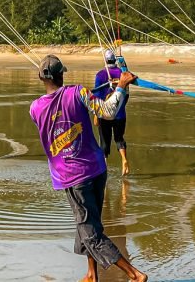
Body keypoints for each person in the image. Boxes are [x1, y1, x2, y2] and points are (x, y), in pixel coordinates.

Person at [30, 55, 147, 282]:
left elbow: (57, 108)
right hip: (96, 169)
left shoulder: (35, 108)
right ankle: (92, 274)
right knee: (88, 222)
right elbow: (107, 111)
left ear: (40, 77)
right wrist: (121, 87)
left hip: (74, 177)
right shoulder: (78, 93)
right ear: (62, 74)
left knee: (90, 232)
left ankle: (134, 274)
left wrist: (119, 85)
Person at [93, 49, 131, 176]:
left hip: (105, 114)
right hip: (120, 114)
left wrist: (96, 115)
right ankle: (124, 160)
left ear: (105, 60)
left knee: (104, 142)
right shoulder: (123, 74)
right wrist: (121, 108)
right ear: (114, 60)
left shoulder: (100, 75)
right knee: (119, 139)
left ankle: (104, 169)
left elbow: (97, 98)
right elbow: (126, 95)